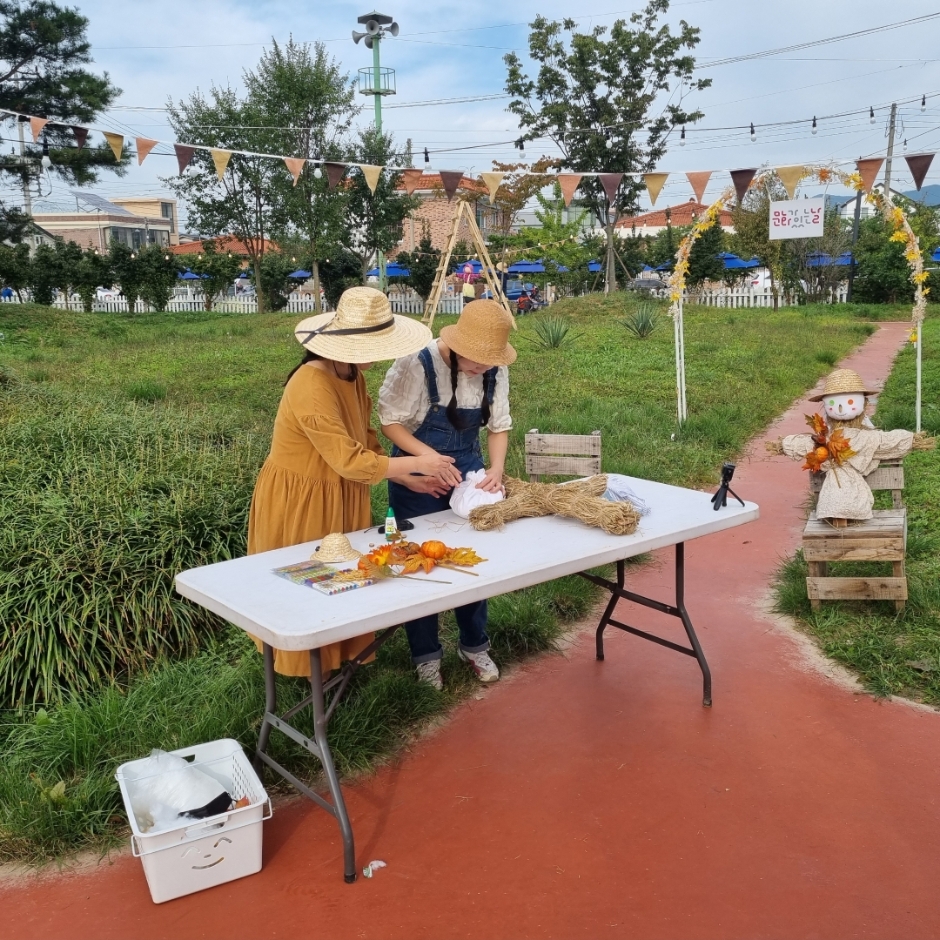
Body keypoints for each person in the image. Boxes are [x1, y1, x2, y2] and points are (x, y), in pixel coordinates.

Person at [247, 286, 456, 678]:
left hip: (342, 491)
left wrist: (412, 477)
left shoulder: (350, 374)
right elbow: (348, 460)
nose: (375, 356)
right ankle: (307, 674)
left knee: (341, 579)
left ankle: (334, 663)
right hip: (303, 497)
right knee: (307, 582)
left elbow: (366, 441)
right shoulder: (311, 383)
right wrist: (420, 461)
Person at [378, 299, 516, 690]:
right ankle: (425, 656)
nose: (483, 369)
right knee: (418, 565)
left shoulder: (494, 370)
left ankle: (474, 645)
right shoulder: (416, 364)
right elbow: (390, 422)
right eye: (477, 361)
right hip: (417, 476)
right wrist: (429, 459)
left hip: (467, 477)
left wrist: (495, 471)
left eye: (489, 362)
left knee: (473, 563)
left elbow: (498, 426)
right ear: (457, 346)